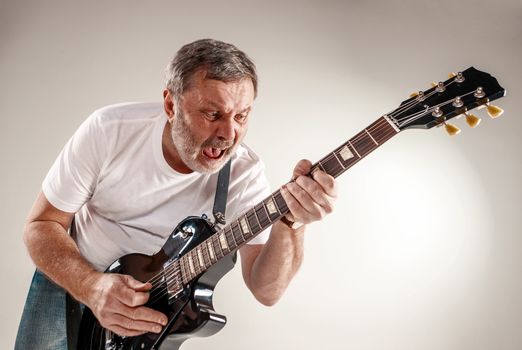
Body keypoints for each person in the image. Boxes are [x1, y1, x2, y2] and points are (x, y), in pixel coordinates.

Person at [15, 38, 337, 349]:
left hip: (149, 314)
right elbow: (40, 226)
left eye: (241, 116)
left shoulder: (245, 173)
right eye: (213, 114)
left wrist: (291, 223)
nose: (229, 134)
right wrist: (91, 287)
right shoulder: (108, 130)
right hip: (73, 281)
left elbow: (267, 290)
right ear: (171, 104)